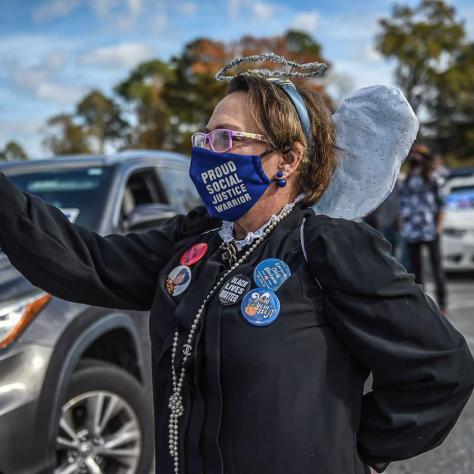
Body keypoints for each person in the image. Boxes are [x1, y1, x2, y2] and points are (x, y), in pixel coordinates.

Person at [0, 55, 473, 474]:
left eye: (226, 138)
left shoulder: (328, 246)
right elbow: (85, 261)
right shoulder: (192, 242)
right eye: (204, 137)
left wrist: (355, 449)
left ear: (287, 159)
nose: (207, 151)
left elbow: (440, 369)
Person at [399, 143, 448, 314]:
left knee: (436, 268)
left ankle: (442, 304)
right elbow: (403, 203)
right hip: (412, 230)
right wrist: (402, 224)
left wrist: (439, 226)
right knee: (416, 270)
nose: (416, 157)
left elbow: (442, 204)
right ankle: (423, 305)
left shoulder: (434, 178)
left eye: (419, 155)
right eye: (414, 154)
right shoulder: (408, 179)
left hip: (430, 229)